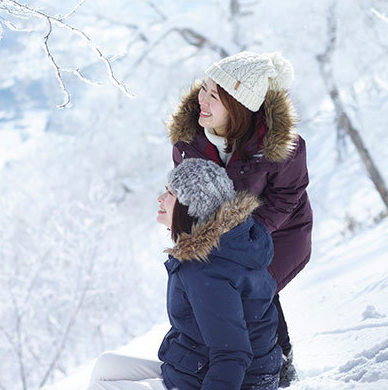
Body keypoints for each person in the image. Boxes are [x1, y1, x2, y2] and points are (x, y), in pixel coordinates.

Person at [166, 52, 312, 386]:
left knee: (255, 290)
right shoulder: (189, 142)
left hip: (281, 231)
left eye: (214, 96)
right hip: (226, 232)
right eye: (204, 88)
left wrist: (250, 239)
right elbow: (192, 194)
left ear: (239, 106)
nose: (201, 99)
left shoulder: (282, 147)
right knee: (226, 285)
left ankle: (277, 361)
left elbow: (287, 196)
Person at [87, 158, 281, 390]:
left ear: (191, 207)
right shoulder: (235, 244)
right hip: (203, 368)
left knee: (103, 388)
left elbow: (232, 355)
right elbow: (267, 304)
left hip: (231, 381)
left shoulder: (204, 269)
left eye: (170, 193)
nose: (160, 198)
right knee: (106, 366)